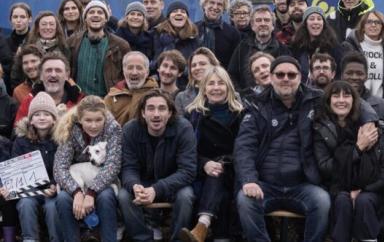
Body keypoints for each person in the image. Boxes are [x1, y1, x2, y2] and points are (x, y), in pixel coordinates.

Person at [235, 56, 330, 242]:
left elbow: (351, 100)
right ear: (270, 77)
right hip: (265, 185)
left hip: (302, 185)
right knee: (245, 200)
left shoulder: (316, 100)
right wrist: (249, 180)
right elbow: (244, 146)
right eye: (279, 74)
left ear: (300, 77)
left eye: (291, 74)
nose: (285, 78)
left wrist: (370, 118)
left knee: (322, 201)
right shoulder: (256, 105)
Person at [313, 80, 384, 242]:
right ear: (329, 101)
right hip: (337, 186)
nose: (341, 100)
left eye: (347, 96)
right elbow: (325, 167)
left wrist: (362, 189)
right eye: (336, 96)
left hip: (371, 189)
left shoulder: (372, 128)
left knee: (364, 202)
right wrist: (358, 148)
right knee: (342, 200)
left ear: (354, 101)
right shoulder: (320, 129)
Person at [118, 91, 197, 242]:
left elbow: (187, 171)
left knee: (186, 195)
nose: (156, 114)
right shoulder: (130, 129)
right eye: (151, 108)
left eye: (162, 108)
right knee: (124, 195)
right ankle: (142, 238)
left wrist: (157, 189)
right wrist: (135, 186)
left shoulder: (183, 128)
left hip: (173, 183)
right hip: (142, 183)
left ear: (170, 113)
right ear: (143, 112)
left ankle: (178, 239)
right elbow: (128, 167)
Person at [180, 67, 245, 242]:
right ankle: (218, 236)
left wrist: (222, 162)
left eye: (220, 83)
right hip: (201, 170)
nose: (216, 88)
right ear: (204, 88)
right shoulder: (193, 115)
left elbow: (245, 149)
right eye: (211, 83)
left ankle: (202, 225)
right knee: (219, 187)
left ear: (228, 87)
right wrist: (204, 164)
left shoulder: (241, 113)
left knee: (219, 172)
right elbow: (185, 150)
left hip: (234, 169)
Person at [53, 96, 122, 242]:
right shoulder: (70, 128)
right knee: (63, 198)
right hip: (76, 180)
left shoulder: (113, 128)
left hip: (103, 182)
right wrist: (77, 192)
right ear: (79, 119)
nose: (94, 125)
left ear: (104, 117)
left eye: (98, 120)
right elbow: (60, 166)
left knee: (106, 196)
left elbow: (113, 164)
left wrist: (91, 192)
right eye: (88, 120)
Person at [13, 92, 61, 242]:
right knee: (25, 204)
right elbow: (15, 170)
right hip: (30, 189)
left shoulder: (60, 140)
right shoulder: (21, 141)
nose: (41, 117)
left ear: (54, 119)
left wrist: (54, 185)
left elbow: (64, 166)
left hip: (53, 189)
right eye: (37, 114)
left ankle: (57, 239)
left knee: (52, 207)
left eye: (46, 114)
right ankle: (30, 239)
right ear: (31, 119)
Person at [67, 0, 130, 97]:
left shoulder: (120, 45)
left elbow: (127, 75)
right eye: (91, 12)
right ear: (85, 18)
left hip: (109, 101)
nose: (95, 15)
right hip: (79, 101)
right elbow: (66, 71)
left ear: (106, 19)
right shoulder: (72, 42)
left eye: (100, 12)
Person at [227, 5, 290, 90]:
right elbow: (231, 74)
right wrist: (240, 94)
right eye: (258, 20)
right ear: (252, 26)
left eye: (266, 20)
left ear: (273, 26)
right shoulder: (242, 47)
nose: (263, 24)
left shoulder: (283, 50)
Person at [342, 10, 384, 102]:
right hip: (355, 99)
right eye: (369, 22)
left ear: (383, 26)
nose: (373, 25)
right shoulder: (350, 46)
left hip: (383, 101)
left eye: (377, 22)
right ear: (363, 26)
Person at [14, 52, 84, 124]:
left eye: (58, 70)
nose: (53, 75)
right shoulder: (29, 101)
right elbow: (18, 131)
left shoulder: (80, 102)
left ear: (67, 75)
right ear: (41, 75)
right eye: (48, 70)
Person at [104, 51, 160, 126]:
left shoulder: (158, 95)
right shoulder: (110, 98)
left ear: (147, 72)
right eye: (130, 68)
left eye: (139, 68)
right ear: (124, 72)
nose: (134, 72)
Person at [290, 6, 344, 82]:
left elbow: (340, 72)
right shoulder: (296, 46)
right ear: (305, 23)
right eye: (312, 19)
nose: (316, 22)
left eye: (319, 19)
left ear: (323, 23)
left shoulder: (334, 46)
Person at [196, 0, 240, 67]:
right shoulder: (193, 29)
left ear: (224, 9)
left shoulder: (233, 33)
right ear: (204, 5)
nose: (215, 7)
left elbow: (235, 65)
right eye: (212, 2)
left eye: (219, 4)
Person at [340, 51, 384, 122]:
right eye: (349, 73)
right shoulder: (331, 103)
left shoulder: (382, 106)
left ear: (366, 76)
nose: (354, 77)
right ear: (341, 76)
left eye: (359, 73)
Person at [153, 1, 200, 69]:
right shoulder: (158, 34)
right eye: (175, 11)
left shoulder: (193, 36)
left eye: (183, 12)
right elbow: (153, 62)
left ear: (187, 17)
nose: (179, 13)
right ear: (168, 17)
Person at [174, 47, 220, 114]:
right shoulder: (181, 98)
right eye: (193, 65)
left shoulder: (232, 95)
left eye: (202, 64)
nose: (197, 68)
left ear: (214, 66)